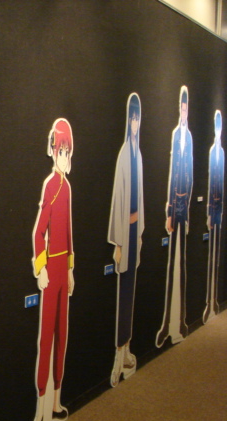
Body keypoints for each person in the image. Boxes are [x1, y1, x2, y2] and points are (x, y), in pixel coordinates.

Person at [30, 118, 75, 421]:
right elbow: (38, 232)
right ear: (53, 150)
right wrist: (41, 267)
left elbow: (69, 232)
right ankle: (40, 408)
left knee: (62, 334)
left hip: (63, 269)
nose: (64, 156)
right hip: (51, 269)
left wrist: (70, 269)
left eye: (67, 151)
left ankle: (56, 401)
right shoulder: (50, 186)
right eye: (61, 150)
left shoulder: (67, 188)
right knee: (46, 338)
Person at [108, 94, 144, 387]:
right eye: (131, 118)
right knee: (123, 292)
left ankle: (127, 348)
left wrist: (138, 234)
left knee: (130, 290)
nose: (134, 123)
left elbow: (139, 198)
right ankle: (118, 355)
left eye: (137, 118)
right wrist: (119, 243)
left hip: (134, 230)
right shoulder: (123, 154)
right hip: (124, 232)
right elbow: (118, 200)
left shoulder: (138, 154)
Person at [156, 86, 193, 347]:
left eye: (186, 108)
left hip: (184, 205)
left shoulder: (188, 137)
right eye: (181, 107)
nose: (183, 111)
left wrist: (186, 209)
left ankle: (181, 322)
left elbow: (190, 174)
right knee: (171, 264)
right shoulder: (175, 135)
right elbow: (172, 174)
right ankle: (167, 323)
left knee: (182, 263)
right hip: (175, 204)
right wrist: (169, 210)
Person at [203, 110, 223, 323]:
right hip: (213, 209)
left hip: (219, 209)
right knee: (211, 256)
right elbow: (210, 185)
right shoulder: (211, 152)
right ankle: (209, 303)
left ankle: (214, 299)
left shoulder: (222, 154)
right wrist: (209, 212)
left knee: (216, 255)